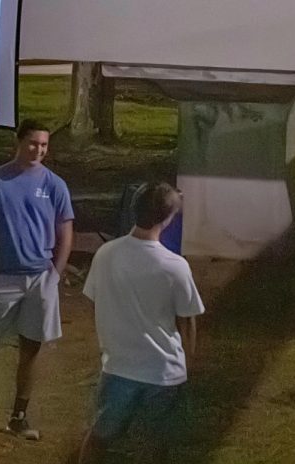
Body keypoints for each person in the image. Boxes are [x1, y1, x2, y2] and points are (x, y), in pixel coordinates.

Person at [0, 118, 74, 439]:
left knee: (30, 348)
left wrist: (55, 274)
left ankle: (19, 415)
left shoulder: (54, 185)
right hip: (2, 276)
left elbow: (65, 232)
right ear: (19, 143)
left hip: (40, 277)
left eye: (45, 145)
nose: (39, 150)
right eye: (34, 143)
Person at [77, 182, 205, 464]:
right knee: (153, 447)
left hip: (118, 366)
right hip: (163, 371)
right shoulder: (174, 266)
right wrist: (189, 362)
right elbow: (187, 320)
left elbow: (94, 301)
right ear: (168, 220)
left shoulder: (106, 253)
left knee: (99, 437)